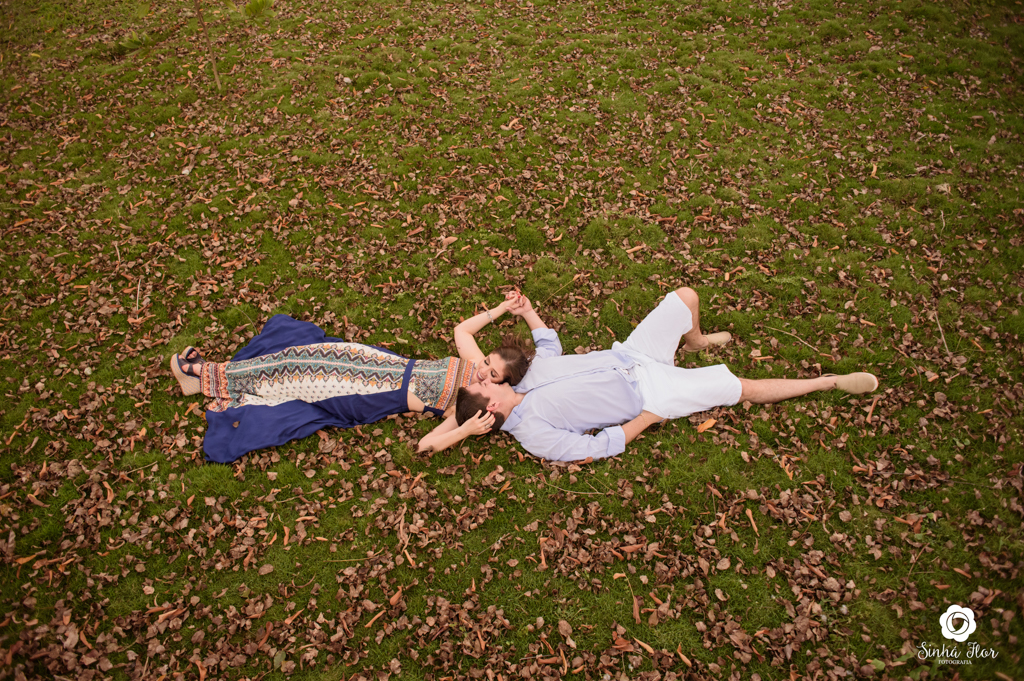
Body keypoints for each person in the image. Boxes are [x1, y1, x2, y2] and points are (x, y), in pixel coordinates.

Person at [444, 287, 879, 462]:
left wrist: (526, 310)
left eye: (482, 375)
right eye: (481, 384)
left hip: (631, 354)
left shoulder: (518, 379)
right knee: (738, 388)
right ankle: (828, 383)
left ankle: (695, 342)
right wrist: (648, 417)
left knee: (685, 296)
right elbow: (596, 448)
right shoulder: (533, 433)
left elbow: (548, 347)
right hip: (651, 390)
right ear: (491, 407)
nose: (482, 375)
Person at [170, 293, 539, 463]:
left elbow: (424, 445)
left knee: (299, 379)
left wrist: (463, 432)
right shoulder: (478, 369)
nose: (483, 372)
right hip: (380, 362)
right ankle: (216, 374)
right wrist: (503, 309)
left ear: (504, 385)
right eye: (488, 364)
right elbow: (463, 331)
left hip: (372, 393)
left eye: (492, 373)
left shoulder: (470, 407)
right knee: (304, 355)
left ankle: (204, 375)